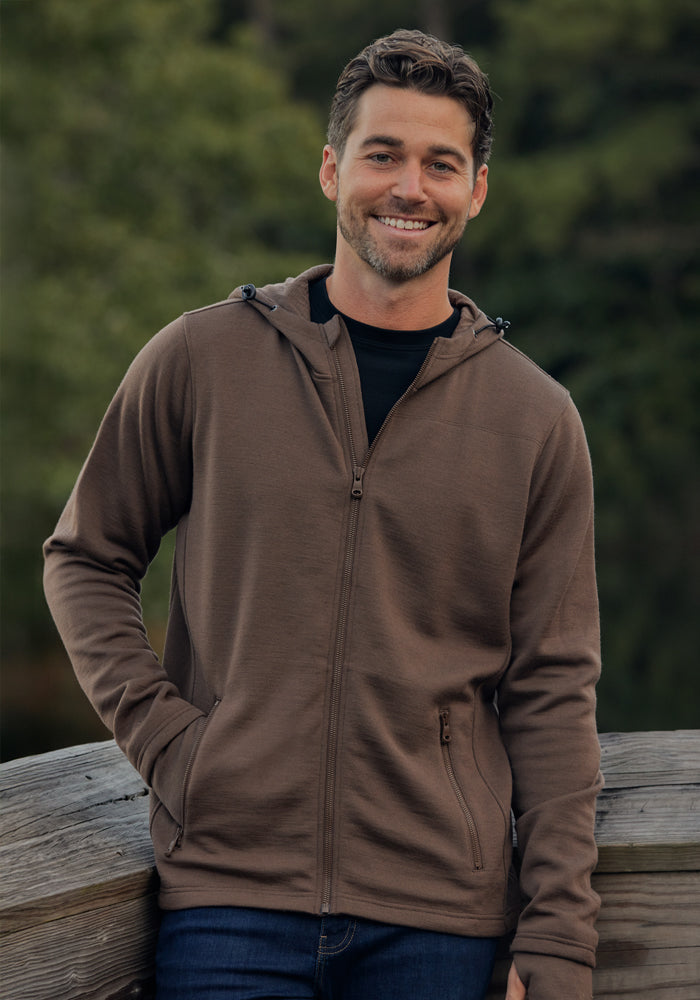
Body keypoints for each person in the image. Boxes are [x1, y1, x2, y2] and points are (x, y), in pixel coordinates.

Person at [43, 28, 602, 1000]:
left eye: (440, 163)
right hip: (229, 902)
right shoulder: (201, 359)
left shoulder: (535, 419)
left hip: (439, 919)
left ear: (476, 189)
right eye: (382, 154)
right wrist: (175, 746)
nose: (407, 187)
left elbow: (552, 692)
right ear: (331, 168)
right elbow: (86, 557)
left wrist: (556, 939)